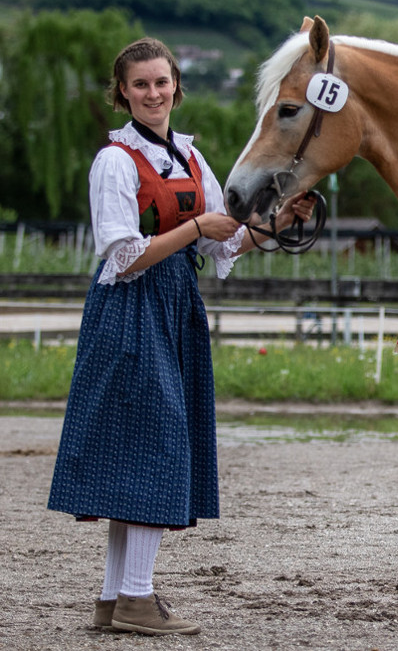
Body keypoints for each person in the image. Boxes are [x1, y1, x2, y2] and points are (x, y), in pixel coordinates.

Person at [46, 37, 313, 636]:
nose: (152, 93)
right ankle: (137, 600)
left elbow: (223, 244)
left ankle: (115, 600)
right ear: (123, 94)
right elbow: (121, 258)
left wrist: (273, 224)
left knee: (143, 450)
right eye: (139, 84)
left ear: (175, 87)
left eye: (161, 82)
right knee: (155, 448)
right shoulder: (114, 161)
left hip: (175, 306)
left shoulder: (191, 161)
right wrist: (193, 226)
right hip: (129, 310)